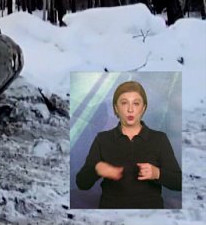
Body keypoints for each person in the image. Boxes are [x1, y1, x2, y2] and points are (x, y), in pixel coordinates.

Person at [75, 80, 182, 209]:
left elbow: (179, 182)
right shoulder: (102, 139)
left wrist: (157, 173)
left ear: (143, 108)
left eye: (136, 103)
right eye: (124, 103)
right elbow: (82, 183)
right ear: (116, 108)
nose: (130, 109)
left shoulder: (159, 139)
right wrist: (97, 169)